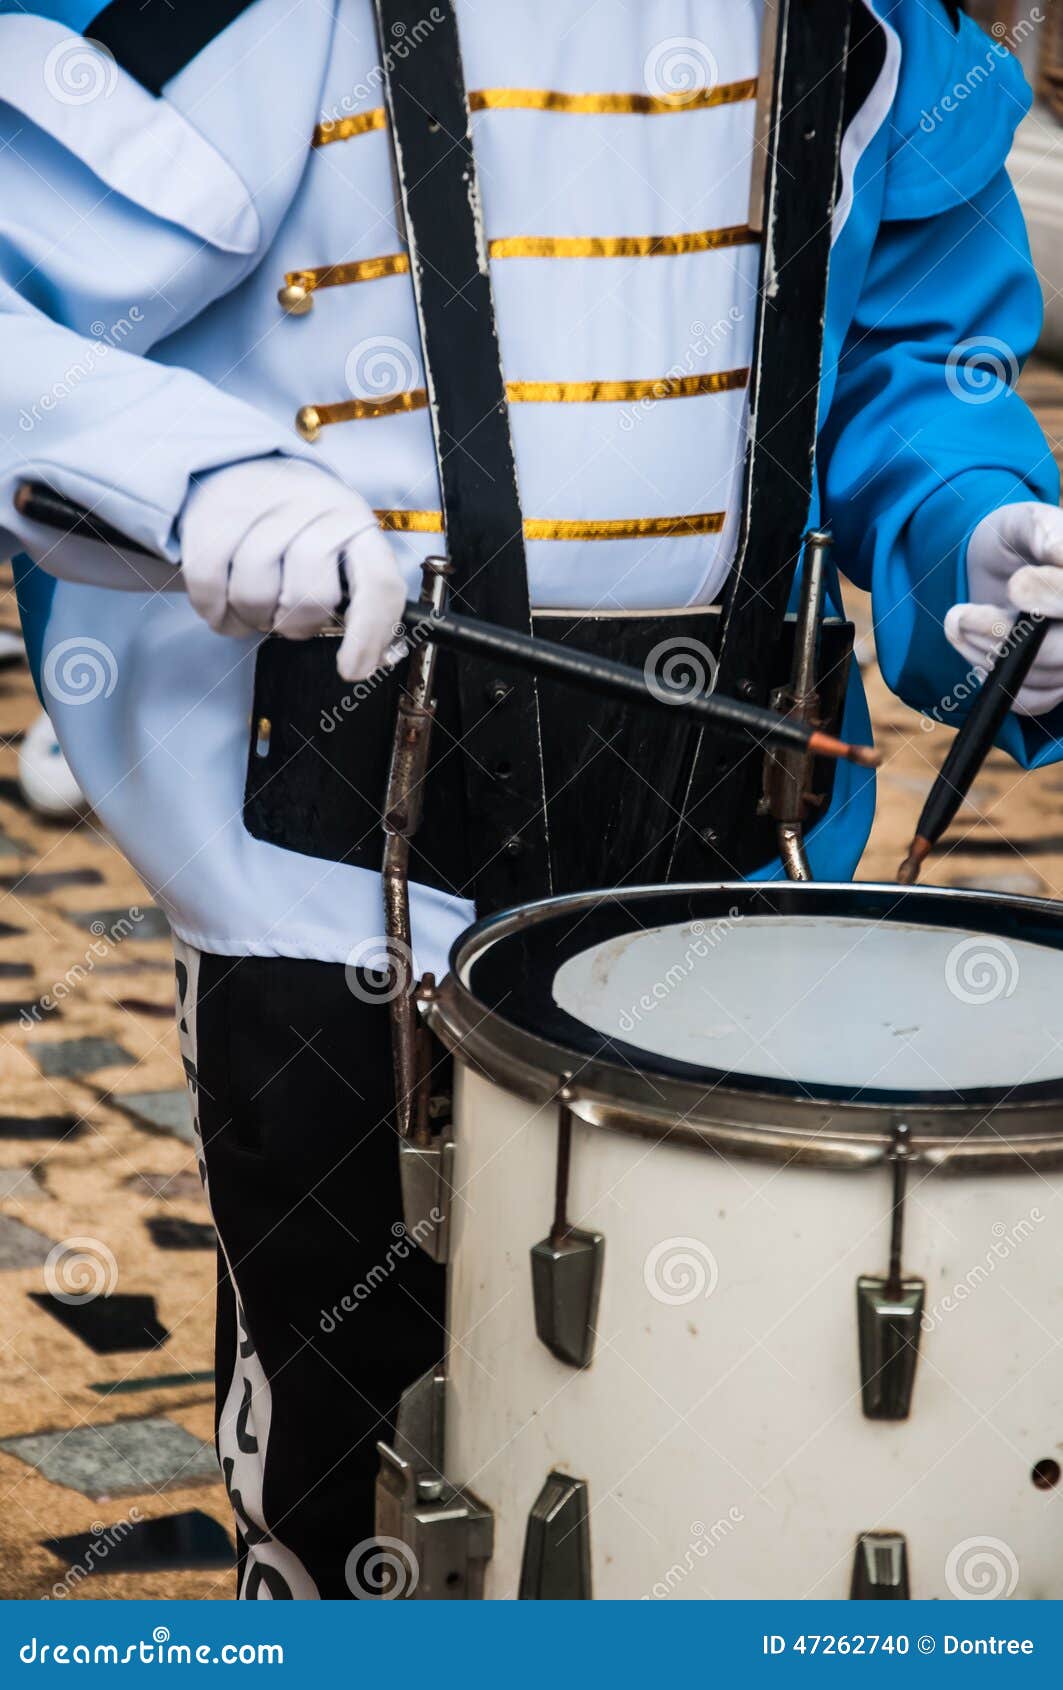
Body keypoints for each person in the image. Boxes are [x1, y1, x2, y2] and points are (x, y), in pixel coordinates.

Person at [0, 0, 1061, 1598]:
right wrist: (195, 472)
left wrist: (975, 531)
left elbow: (905, 356)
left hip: (740, 854)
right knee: (352, 1452)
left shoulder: (882, 25)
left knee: (738, 1452)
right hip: (333, 866)